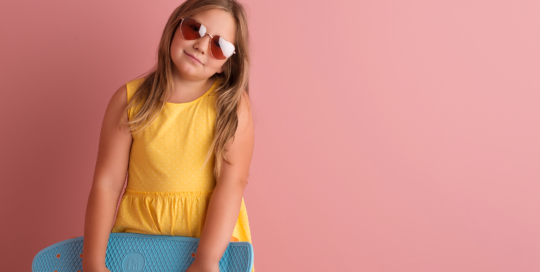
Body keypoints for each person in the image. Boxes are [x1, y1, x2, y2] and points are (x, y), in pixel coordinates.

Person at [82, 1, 255, 271]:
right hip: (139, 246)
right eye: (195, 29)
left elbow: (233, 183)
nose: (200, 45)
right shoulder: (129, 101)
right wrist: (93, 263)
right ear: (176, 25)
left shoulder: (231, 106)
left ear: (227, 63)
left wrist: (206, 259)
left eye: (219, 45)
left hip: (209, 243)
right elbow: (107, 183)